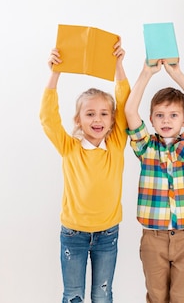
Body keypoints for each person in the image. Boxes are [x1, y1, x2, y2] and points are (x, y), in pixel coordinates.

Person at [40, 42, 129, 303]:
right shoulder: (69, 148)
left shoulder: (115, 145)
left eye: (104, 114)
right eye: (90, 114)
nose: (97, 119)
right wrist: (55, 73)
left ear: (112, 119)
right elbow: (48, 117)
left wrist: (118, 67)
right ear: (78, 120)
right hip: (73, 235)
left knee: (102, 295)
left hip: (107, 235)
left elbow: (125, 105)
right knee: (74, 295)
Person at [125, 58, 184, 303]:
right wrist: (146, 73)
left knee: (183, 298)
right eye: (159, 115)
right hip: (154, 237)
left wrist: (177, 74)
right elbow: (130, 110)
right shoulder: (146, 147)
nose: (166, 120)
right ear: (151, 119)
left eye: (173, 115)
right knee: (156, 297)